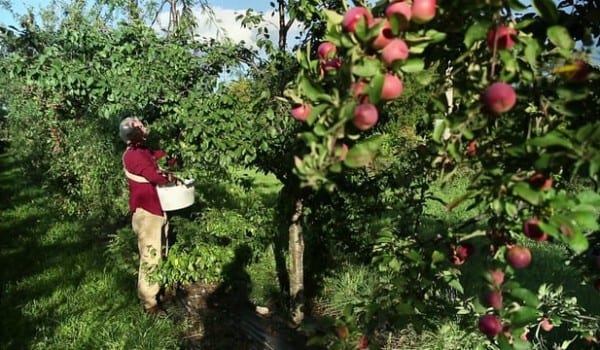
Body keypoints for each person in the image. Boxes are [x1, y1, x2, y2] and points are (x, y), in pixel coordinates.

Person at [119, 116, 174, 314]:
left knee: (160, 250)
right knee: (150, 257)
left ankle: (159, 288)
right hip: (147, 212)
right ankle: (149, 303)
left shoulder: (142, 150)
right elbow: (152, 175)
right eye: (139, 125)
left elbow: (157, 156)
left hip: (155, 209)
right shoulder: (133, 154)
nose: (144, 126)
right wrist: (169, 177)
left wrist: (172, 155)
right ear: (132, 132)